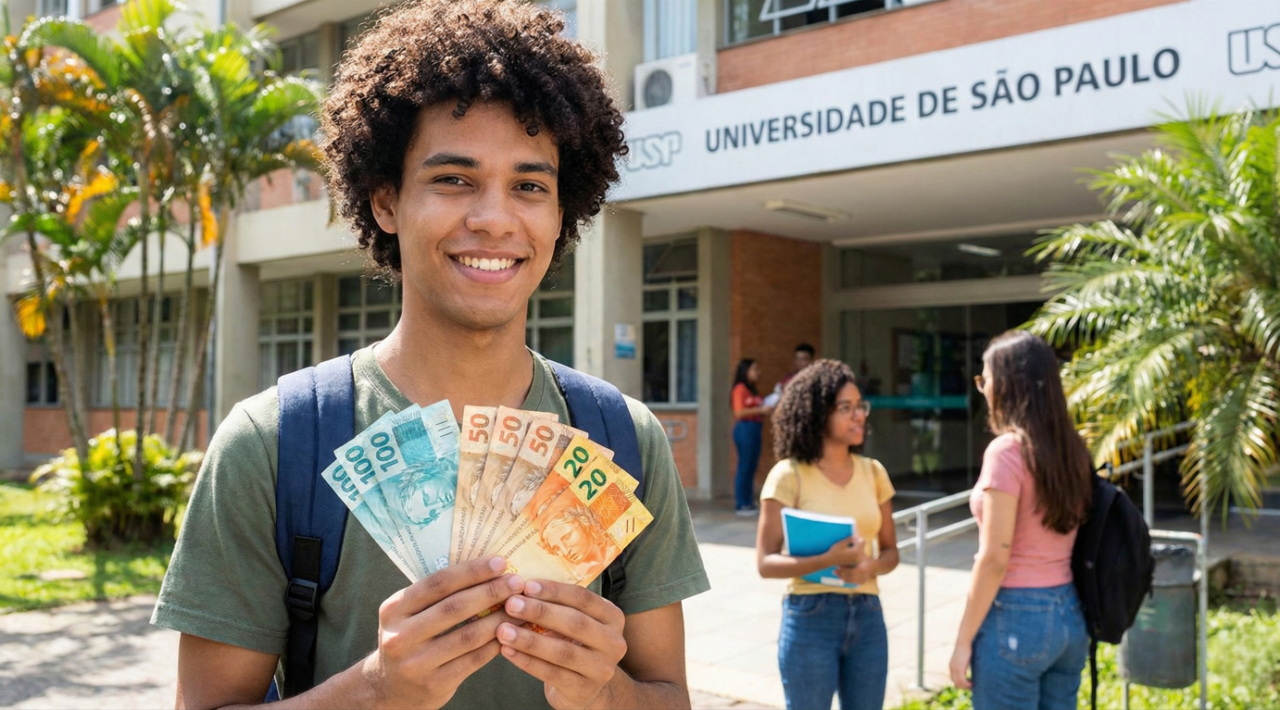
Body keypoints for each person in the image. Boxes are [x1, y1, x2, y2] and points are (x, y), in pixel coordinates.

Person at [150, 2, 710, 708]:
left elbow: (669, 699)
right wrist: (377, 690)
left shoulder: (625, 441)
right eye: (454, 179)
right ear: (386, 200)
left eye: (530, 186)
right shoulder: (272, 446)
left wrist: (603, 693)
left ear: (563, 214)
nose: (494, 219)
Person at [948, 330, 1093, 710]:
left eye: (986, 378)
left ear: (1009, 384)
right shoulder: (1071, 448)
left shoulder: (1007, 451)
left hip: (1017, 616)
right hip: (1069, 615)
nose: (983, 389)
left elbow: (995, 557)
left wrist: (963, 641)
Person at [756, 359, 899, 710]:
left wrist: (869, 568)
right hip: (809, 616)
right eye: (846, 408)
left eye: (860, 407)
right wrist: (829, 560)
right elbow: (765, 563)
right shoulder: (788, 475)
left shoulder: (874, 472)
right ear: (819, 413)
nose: (859, 416)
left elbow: (893, 552)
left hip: (867, 614)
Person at [731, 359, 771, 516]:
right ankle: (741, 503)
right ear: (745, 371)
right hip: (744, 429)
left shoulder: (753, 390)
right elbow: (739, 412)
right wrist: (760, 410)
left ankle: (748, 501)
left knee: (752, 466)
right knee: (745, 465)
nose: (757, 372)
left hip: (755, 428)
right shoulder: (740, 389)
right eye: (754, 369)